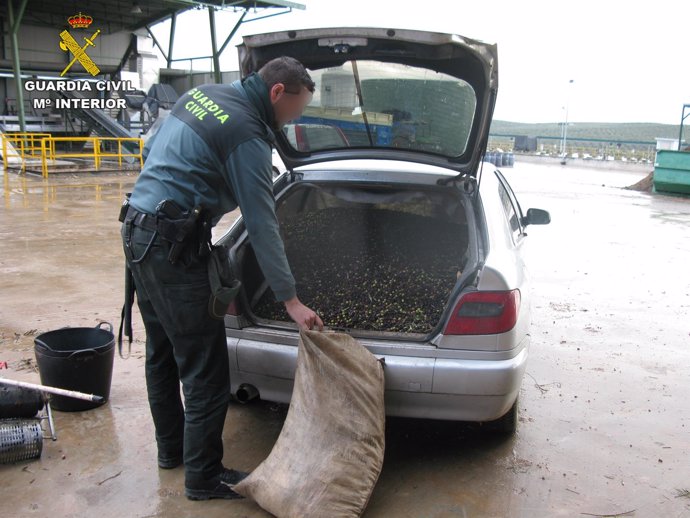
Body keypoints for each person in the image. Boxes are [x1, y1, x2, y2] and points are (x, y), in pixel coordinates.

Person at [120, 56, 323, 501]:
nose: (296, 118)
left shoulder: (203, 94)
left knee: (161, 353)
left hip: (138, 231)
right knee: (206, 374)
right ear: (277, 93)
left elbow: (152, 150)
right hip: (174, 251)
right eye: (297, 108)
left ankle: (172, 454)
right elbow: (262, 221)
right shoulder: (247, 134)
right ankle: (203, 478)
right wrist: (290, 300)